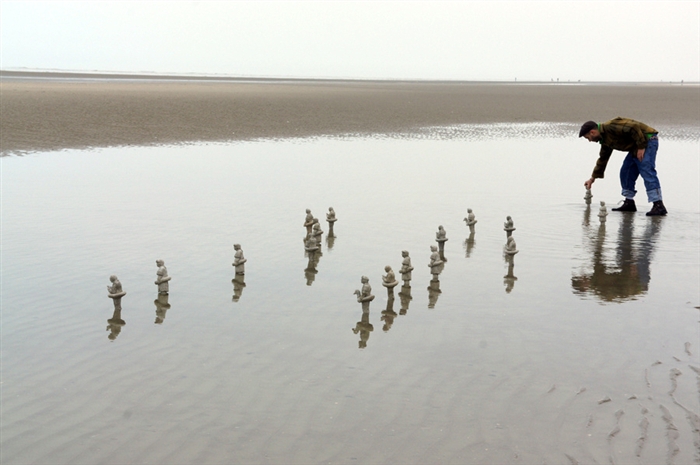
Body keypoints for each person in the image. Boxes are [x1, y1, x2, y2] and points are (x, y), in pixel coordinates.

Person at [579, 117, 667, 216]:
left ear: (592, 132)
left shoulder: (610, 126)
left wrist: (641, 146)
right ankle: (629, 203)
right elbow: (602, 160)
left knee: (646, 170)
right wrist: (592, 179)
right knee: (626, 172)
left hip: (648, 139)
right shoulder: (605, 140)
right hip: (636, 145)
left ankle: (658, 205)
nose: (589, 141)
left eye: (587, 138)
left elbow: (634, 127)